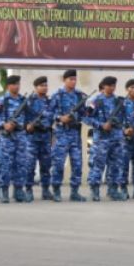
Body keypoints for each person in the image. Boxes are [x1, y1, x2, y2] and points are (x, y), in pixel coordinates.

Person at [0, 74, 29, 203]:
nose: (17, 86)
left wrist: (29, 125)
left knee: (21, 164)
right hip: (6, 137)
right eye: (14, 84)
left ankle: (18, 190)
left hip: (20, 136)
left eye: (18, 84)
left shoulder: (24, 100)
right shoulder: (1, 101)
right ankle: (3, 190)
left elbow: (29, 117)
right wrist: (3, 124)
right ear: (8, 86)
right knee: (5, 164)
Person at [86, 75, 128, 202]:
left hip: (116, 138)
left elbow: (126, 117)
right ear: (104, 86)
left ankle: (113, 190)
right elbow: (86, 117)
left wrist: (124, 127)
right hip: (101, 139)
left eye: (114, 86)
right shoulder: (95, 101)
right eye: (109, 85)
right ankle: (95, 190)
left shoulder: (118, 101)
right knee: (98, 165)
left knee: (115, 165)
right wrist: (101, 125)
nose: (112, 88)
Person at [50, 70, 87, 203]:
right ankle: (56, 191)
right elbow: (49, 113)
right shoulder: (57, 95)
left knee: (77, 164)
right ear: (64, 80)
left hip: (75, 134)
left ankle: (75, 192)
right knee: (59, 164)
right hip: (62, 134)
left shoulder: (80, 96)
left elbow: (85, 114)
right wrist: (60, 118)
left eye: (74, 79)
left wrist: (76, 117)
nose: (73, 81)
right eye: (70, 79)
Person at [20, 75, 53, 202]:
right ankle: (28, 189)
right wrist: (26, 126)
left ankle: (45, 190)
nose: (44, 88)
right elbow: (20, 116)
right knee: (30, 165)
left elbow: (52, 117)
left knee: (46, 165)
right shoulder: (28, 101)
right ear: (35, 87)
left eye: (46, 85)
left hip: (45, 137)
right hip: (31, 138)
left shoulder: (49, 102)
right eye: (41, 85)